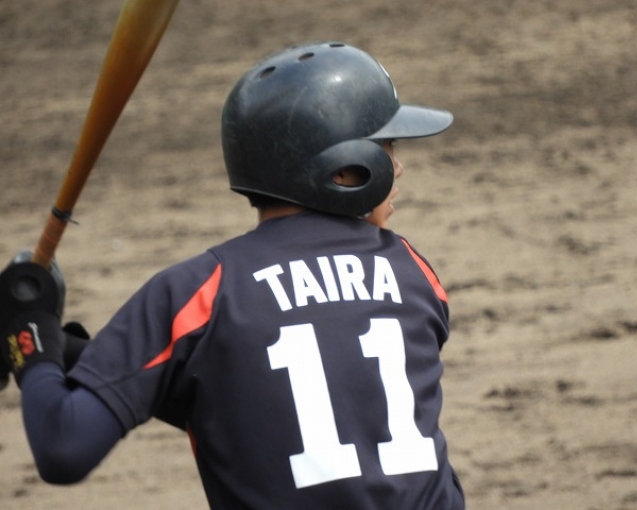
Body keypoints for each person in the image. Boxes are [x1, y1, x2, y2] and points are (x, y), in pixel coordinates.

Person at [0, 41, 464, 509]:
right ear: (343, 171)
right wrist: (66, 350)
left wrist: (30, 337)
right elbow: (267, 394)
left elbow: (64, 445)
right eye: (386, 147)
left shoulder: (199, 293)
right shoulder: (413, 273)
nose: (398, 167)